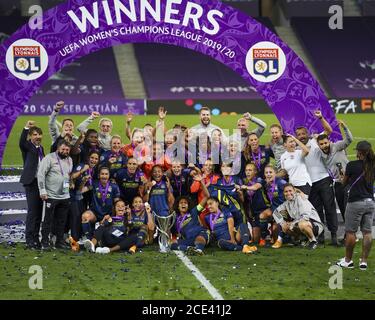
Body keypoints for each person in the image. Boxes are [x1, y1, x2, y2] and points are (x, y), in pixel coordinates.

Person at [295, 110, 338, 245]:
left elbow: (328, 130)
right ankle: (320, 236)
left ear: (307, 133)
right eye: (299, 135)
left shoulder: (315, 140)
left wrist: (320, 118)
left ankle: (334, 235)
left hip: (324, 179)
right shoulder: (297, 148)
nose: (301, 136)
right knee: (317, 211)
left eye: (303, 133)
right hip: (310, 184)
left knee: (329, 208)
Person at [336, 141, 375, 270]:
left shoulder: (352, 165)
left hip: (355, 203)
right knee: (367, 232)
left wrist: (342, 175)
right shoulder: (372, 165)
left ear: (359, 152)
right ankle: (363, 262)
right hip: (370, 202)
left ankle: (348, 260)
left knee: (350, 232)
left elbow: (344, 183)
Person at [37, 140, 73, 250]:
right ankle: (44, 242)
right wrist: (42, 190)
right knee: (48, 220)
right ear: (58, 148)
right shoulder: (49, 158)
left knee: (61, 221)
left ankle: (59, 241)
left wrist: (67, 189)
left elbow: (67, 175)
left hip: (64, 196)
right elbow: (41, 174)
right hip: (51, 195)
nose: (65, 151)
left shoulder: (70, 160)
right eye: (63, 149)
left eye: (67, 150)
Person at [317, 120, 353, 221]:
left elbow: (349, 139)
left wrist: (344, 127)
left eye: (325, 143)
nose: (324, 145)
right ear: (319, 145)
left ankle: (353, 232)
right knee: (342, 208)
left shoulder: (337, 146)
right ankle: (348, 233)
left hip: (349, 181)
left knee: (348, 207)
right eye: (321, 144)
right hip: (338, 183)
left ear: (329, 142)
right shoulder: (321, 155)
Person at [273, 184, 324, 250]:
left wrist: (292, 223)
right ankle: (302, 240)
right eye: (286, 191)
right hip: (301, 224)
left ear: (294, 191)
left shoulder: (300, 198)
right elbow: (275, 212)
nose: (288, 193)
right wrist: (282, 223)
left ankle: (313, 241)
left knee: (302, 224)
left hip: (315, 225)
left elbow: (305, 216)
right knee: (285, 227)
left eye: (290, 191)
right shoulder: (286, 203)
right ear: (283, 193)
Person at [19, 121, 45, 250]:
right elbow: (21, 142)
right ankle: (29, 240)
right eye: (35, 134)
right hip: (31, 182)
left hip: (40, 184)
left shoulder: (41, 148)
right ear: (30, 136)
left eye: (39, 134)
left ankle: (36, 238)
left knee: (39, 212)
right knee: (33, 211)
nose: (37, 136)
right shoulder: (28, 146)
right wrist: (26, 128)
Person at [171, 173, 210, 255]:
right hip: (189, 240)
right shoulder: (175, 218)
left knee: (199, 239)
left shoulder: (194, 211)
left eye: (185, 203)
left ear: (188, 205)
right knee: (172, 243)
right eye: (181, 203)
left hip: (200, 234)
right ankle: (189, 249)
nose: (183, 204)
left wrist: (201, 182)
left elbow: (207, 196)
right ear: (177, 206)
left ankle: (199, 250)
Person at [80, 166, 121, 239]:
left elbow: (117, 204)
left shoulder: (114, 186)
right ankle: (89, 240)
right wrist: (84, 181)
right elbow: (81, 190)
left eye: (106, 174)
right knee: (85, 216)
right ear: (99, 175)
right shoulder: (94, 184)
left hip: (108, 214)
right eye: (102, 174)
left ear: (109, 175)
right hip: (95, 213)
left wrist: (112, 215)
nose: (104, 176)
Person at [241, 163, 268, 244]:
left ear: (255, 172)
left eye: (250, 170)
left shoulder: (259, 180)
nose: (248, 172)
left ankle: (266, 234)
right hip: (253, 213)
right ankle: (264, 234)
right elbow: (245, 201)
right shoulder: (244, 182)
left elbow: (255, 187)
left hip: (263, 209)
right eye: (246, 170)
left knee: (263, 217)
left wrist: (245, 187)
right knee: (255, 241)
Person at [263, 165, 288, 249]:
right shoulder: (267, 184)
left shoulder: (281, 182)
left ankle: (280, 240)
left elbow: (291, 189)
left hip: (284, 209)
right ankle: (266, 238)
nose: (268, 174)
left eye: (270, 172)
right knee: (262, 215)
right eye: (266, 172)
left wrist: (301, 193)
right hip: (274, 208)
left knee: (278, 225)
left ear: (275, 173)